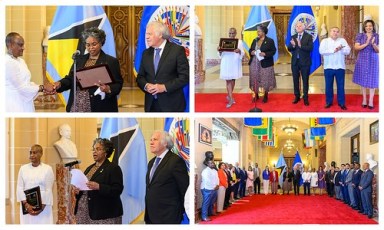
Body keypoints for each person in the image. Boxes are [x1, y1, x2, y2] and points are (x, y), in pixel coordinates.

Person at [44, 27, 123, 112]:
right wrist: (59, 84)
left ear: (101, 43)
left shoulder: (111, 61)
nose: (91, 47)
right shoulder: (79, 60)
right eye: (88, 45)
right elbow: (70, 79)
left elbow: (118, 84)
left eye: (94, 44)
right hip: (77, 104)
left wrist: (108, 88)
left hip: (98, 105)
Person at [136, 21, 189, 112]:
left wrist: (164, 87)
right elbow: (140, 77)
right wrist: (146, 85)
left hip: (171, 105)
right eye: (146, 34)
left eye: (150, 34)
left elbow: (184, 77)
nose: (146, 37)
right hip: (151, 105)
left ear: (160, 35)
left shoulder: (177, 51)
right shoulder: (146, 53)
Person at [74, 138, 123, 224]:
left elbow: (117, 190)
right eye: (93, 149)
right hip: (83, 212)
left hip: (103, 214)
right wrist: (78, 191)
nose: (94, 152)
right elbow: (85, 188)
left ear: (106, 152)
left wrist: (99, 187)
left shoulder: (113, 168)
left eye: (98, 149)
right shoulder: (89, 168)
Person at [145, 131, 189, 224]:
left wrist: (180, 211)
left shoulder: (176, 161)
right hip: (151, 215)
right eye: (151, 140)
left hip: (168, 216)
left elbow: (184, 189)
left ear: (165, 143)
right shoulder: (151, 162)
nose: (151, 142)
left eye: (155, 140)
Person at [5, 32, 45, 112]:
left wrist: (40, 88)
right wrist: (42, 88)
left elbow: (27, 83)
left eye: (23, 45)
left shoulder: (21, 61)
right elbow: (21, 88)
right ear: (10, 45)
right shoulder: (7, 62)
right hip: (14, 105)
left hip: (25, 103)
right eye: (20, 45)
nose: (23, 48)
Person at [16, 144, 54, 224]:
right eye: (30, 153)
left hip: (43, 205)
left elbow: (48, 189)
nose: (32, 155)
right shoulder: (23, 169)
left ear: (41, 154)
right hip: (27, 205)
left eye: (35, 153)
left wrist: (41, 208)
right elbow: (19, 187)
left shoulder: (47, 169)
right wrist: (26, 205)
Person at [319, 27, 351, 110]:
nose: (335, 33)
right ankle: (329, 102)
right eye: (333, 31)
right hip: (328, 67)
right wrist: (334, 50)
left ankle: (342, 103)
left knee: (341, 86)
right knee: (328, 86)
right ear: (330, 32)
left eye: (337, 31)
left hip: (340, 67)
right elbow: (321, 51)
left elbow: (348, 51)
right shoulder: (324, 41)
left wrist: (341, 49)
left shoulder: (342, 40)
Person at [352, 20, 379, 110]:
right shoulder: (360, 35)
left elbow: (378, 50)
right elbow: (356, 47)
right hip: (362, 58)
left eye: (370, 26)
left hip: (373, 59)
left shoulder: (377, 36)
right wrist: (366, 44)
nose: (368, 27)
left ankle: (371, 100)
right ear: (364, 27)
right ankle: (364, 99)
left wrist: (374, 44)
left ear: (373, 26)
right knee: (363, 79)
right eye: (367, 26)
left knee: (372, 80)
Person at [287, 21, 314, 106]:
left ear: (303, 27)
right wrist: (294, 45)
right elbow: (289, 48)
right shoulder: (293, 36)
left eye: (299, 26)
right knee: (295, 80)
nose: (298, 27)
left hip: (305, 62)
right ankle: (297, 96)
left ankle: (305, 97)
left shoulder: (308, 36)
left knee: (305, 80)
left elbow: (310, 48)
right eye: (297, 26)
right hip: (295, 62)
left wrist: (300, 45)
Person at [248, 25, 277, 103]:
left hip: (265, 63)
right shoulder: (255, 40)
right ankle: (256, 94)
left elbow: (273, 51)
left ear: (264, 32)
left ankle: (266, 95)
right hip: (254, 63)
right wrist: (252, 52)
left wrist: (265, 54)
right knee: (255, 78)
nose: (258, 32)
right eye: (257, 31)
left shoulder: (270, 41)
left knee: (265, 79)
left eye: (259, 31)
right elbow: (250, 49)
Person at [218, 27, 244, 108]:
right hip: (226, 62)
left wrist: (239, 51)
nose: (231, 35)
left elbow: (242, 52)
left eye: (233, 33)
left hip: (235, 62)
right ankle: (231, 99)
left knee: (233, 79)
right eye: (230, 33)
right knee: (228, 80)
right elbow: (220, 53)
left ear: (235, 34)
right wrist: (219, 50)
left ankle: (230, 95)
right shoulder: (224, 41)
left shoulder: (239, 42)